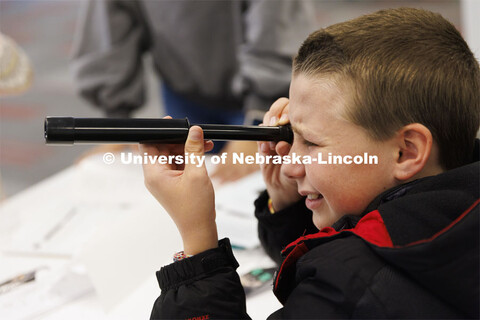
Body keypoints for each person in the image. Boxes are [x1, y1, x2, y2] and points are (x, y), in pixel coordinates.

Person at [140, 8, 479, 319]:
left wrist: (198, 242)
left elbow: (342, 285)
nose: (289, 165)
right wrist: (288, 207)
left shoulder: (350, 285)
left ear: (406, 152)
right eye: (293, 136)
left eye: (312, 142)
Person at [70, 0, 316, 183]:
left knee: (267, 192)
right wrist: (116, 126)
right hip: (184, 96)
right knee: (183, 192)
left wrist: (255, 127)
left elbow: (275, 23)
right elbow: (110, 23)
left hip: (263, 103)